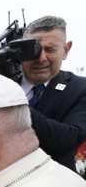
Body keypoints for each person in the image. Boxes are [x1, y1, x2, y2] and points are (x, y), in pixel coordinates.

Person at [21, 15, 86, 172]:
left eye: (50, 49)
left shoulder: (80, 88)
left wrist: (13, 103)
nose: (41, 58)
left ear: (65, 50)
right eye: (33, 50)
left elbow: (67, 140)